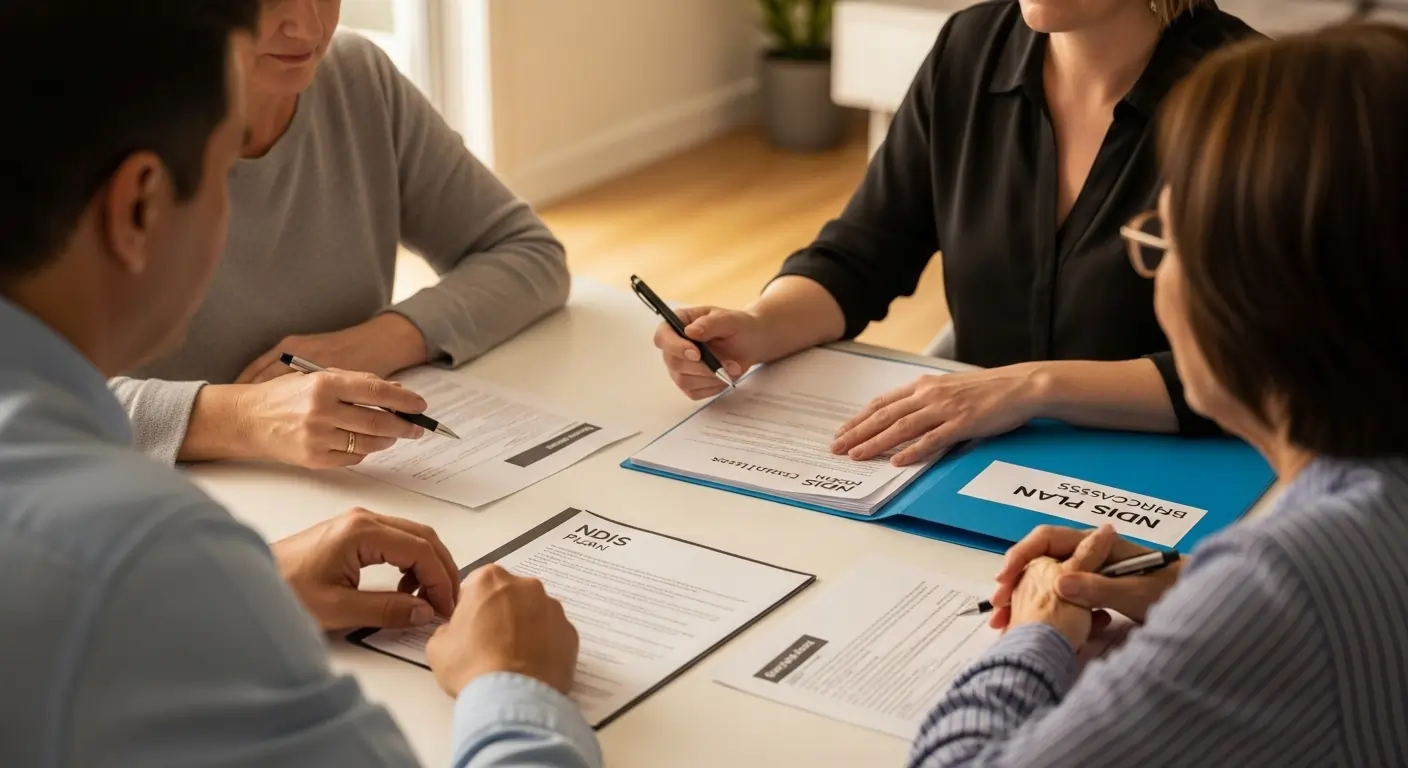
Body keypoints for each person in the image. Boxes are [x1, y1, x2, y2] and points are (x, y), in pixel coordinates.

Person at [0, 2, 597, 766]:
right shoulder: (143, 551)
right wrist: (516, 688)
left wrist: (247, 591)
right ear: (139, 205)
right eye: (222, 173)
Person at [908, 23, 1408, 767]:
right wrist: (1185, 582)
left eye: (1162, 244)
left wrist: (1037, 633)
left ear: (1258, 293)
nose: (1152, 276)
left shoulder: (1284, 584)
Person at [656, 0, 1259, 468]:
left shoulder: (1256, 101)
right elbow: (863, 253)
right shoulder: (969, 50)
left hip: (1178, 466)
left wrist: (1035, 386)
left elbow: (1263, 365)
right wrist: (759, 327)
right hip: (981, 455)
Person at [110, 0, 570, 469]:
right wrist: (241, 419)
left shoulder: (356, 77)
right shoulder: (93, 129)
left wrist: (381, 340)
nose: (308, 27)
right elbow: (36, 401)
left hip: (340, 490)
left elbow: (528, 254)